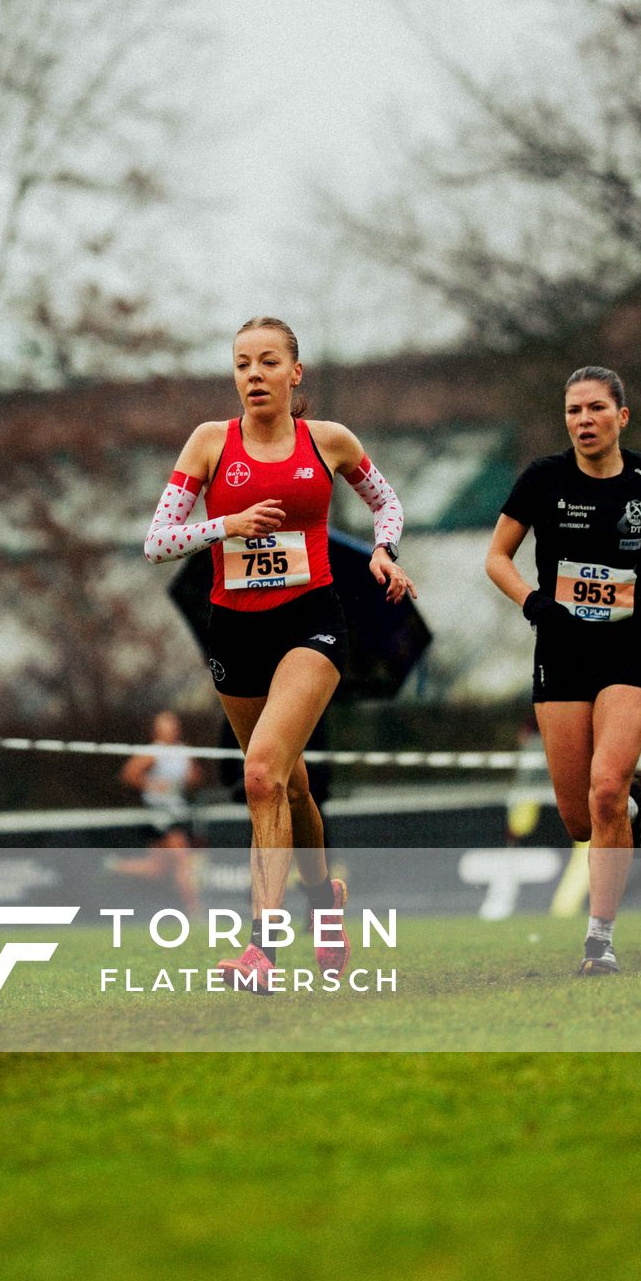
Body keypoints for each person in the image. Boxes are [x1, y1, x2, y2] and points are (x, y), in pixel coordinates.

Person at [144, 315, 414, 990]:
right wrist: (225, 525)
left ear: (296, 374)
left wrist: (384, 551)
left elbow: (388, 505)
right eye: (242, 364)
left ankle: (261, 949)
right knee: (287, 785)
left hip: (311, 624)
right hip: (234, 631)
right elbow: (158, 540)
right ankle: (327, 908)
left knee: (262, 775)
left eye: (268, 362)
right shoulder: (210, 443)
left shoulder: (329, 441)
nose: (254, 375)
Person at [486, 365, 641, 975]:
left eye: (595, 409)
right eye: (573, 411)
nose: (583, 421)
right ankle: (629, 815)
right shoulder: (542, 479)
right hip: (560, 655)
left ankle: (600, 941)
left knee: (606, 788)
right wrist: (532, 600)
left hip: (625, 651)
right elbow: (497, 557)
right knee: (579, 818)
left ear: (622, 416)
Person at [113, 710, 204, 914]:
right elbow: (128, 774)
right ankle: (195, 911)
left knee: (157, 869)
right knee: (182, 858)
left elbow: (195, 778)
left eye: (173, 724)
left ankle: (112, 866)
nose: (171, 728)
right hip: (159, 814)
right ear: (157, 729)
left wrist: (190, 778)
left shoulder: (183, 751)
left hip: (178, 812)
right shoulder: (152, 751)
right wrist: (151, 784)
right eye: (165, 724)